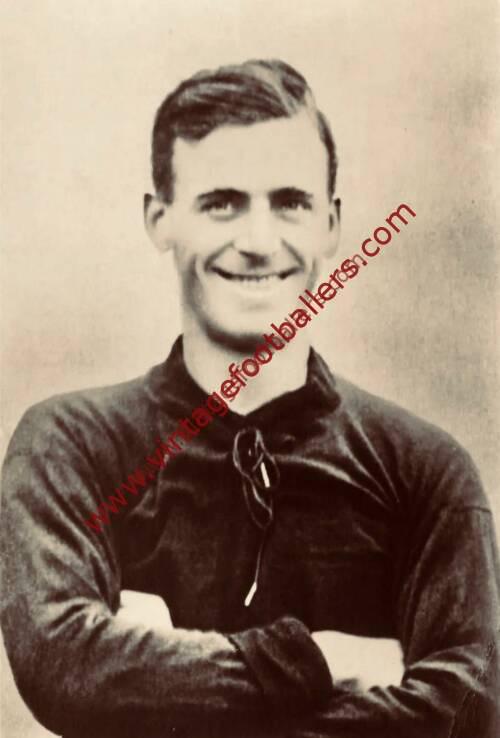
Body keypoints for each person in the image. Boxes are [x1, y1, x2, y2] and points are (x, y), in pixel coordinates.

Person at [1, 59, 498, 738]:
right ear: (159, 220)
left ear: (331, 224)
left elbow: (469, 711)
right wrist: (316, 661)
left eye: (290, 202)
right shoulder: (73, 446)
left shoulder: (424, 472)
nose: (259, 242)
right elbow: (63, 663)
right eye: (221, 203)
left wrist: (162, 675)